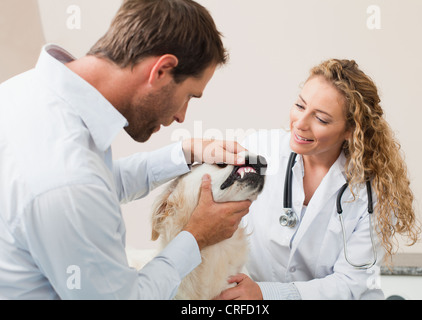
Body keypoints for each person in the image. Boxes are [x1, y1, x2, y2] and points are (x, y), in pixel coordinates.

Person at [0, 0, 252, 299]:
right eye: (189, 96)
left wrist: (185, 153)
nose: (182, 116)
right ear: (162, 70)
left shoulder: (22, 91)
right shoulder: (69, 181)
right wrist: (195, 239)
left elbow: (97, 186)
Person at [216, 59, 421, 300]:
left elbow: (349, 283)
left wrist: (266, 293)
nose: (300, 124)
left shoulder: (373, 189)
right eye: (300, 106)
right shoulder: (257, 152)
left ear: (350, 130)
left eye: (321, 119)